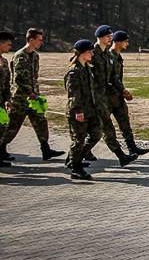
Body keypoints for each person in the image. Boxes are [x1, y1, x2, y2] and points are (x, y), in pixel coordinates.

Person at [0, 28, 64, 162]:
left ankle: (46, 149)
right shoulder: (19, 56)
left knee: (41, 121)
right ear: (31, 40)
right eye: (39, 39)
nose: (41, 42)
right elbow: (18, 79)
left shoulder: (35, 56)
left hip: (34, 98)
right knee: (12, 125)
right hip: (20, 98)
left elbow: (34, 77)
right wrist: (29, 93)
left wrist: (36, 94)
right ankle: (2, 148)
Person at [89, 25, 137, 167]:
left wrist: (123, 90)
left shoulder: (107, 55)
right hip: (94, 98)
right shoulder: (91, 53)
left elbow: (114, 77)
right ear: (100, 37)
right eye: (108, 36)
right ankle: (74, 159)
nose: (111, 38)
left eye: (111, 36)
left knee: (98, 130)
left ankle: (76, 157)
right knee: (101, 130)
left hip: (104, 97)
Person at [63, 40, 103, 181]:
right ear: (82, 53)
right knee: (78, 140)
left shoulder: (87, 68)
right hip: (78, 111)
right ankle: (76, 168)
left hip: (90, 110)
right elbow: (73, 93)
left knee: (96, 134)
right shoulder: (74, 71)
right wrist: (78, 110)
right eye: (90, 51)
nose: (92, 53)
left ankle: (75, 158)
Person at [108, 31, 148, 155]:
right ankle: (84, 152)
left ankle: (132, 147)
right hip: (108, 97)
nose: (127, 44)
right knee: (99, 126)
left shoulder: (118, 57)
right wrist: (123, 90)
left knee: (125, 122)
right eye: (125, 41)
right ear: (119, 42)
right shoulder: (110, 57)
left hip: (118, 96)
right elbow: (112, 78)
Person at [0, 31, 14, 167]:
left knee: (3, 126)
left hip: (0, 103)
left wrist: (8, 99)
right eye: (8, 44)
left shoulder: (4, 61)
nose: (10, 47)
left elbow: (6, 84)